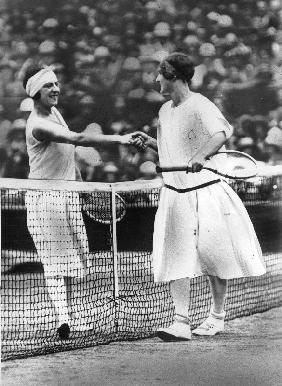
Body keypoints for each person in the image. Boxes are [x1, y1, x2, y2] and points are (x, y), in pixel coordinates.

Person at [132, 52, 266, 341]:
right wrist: (152, 144)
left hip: (205, 193)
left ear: (175, 77)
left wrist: (201, 155)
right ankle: (181, 321)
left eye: (160, 74)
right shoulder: (166, 110)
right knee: (175, 256)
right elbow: (172, 151)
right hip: (175, 195)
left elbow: (221, 133)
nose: (155, 79)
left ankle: (217, 316)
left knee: (214, 256)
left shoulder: (200, 104)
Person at [23, 64, 135, 340]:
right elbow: (78, 138)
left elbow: (67, 152)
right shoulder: (38, 124)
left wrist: (81, 183)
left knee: (72, 261)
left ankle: (69, 317)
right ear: (36, 91)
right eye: (49, 86)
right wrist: (121, 138)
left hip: (68, 194)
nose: (56, 89)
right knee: (54, 262)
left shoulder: (55, 112)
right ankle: (62, 318)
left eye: (57, 84)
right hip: (45, 200)